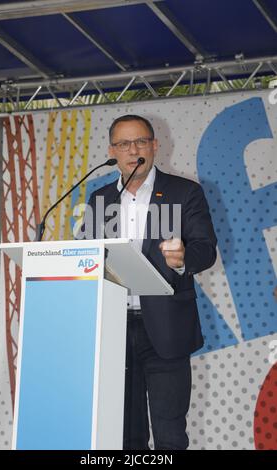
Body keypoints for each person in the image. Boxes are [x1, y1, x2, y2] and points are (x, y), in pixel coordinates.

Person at [82, 114, 217, 450]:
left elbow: (206, 249)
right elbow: (89, 253)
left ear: (155, 145)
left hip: (166, 329)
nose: (133, 150)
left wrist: (184, 258)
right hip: (113, 332)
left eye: (141, 141)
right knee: (126, 436)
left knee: (170, 436)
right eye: (124, 144)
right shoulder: (100, 200)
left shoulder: (184, 192)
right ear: (112, 150)